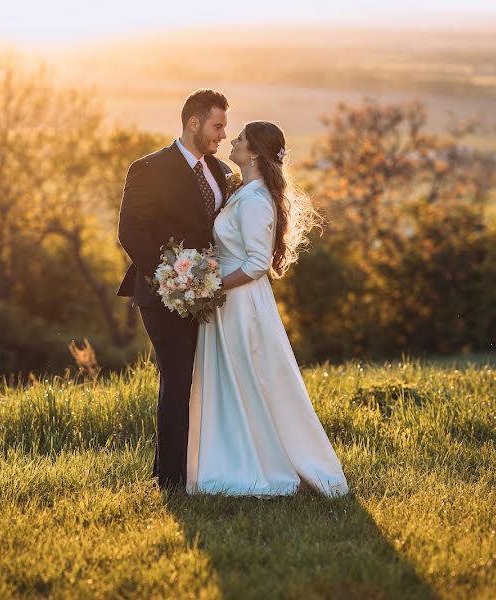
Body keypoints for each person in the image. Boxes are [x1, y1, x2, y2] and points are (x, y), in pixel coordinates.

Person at [186, 121, 349, 497]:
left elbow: (258, 262)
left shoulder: (257, 200)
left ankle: (268, 465)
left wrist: (211, 286)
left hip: (241, 303)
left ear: (255, 152)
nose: (234, 141)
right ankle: (236, 456)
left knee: (250, 377)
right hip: (228, 301)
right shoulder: (244, 192)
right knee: (234, 380)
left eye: (241, 138)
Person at [117, 89, 233, 491]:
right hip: (162, 293)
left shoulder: (220, 172)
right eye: (217, 126)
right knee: (178, 378)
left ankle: (204, 469)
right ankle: (170, 478)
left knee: (205, 380)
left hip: (209, 296)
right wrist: (171, 279)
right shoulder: (148, 168)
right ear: (194, 122)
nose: (222, 135)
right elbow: (131, 232)